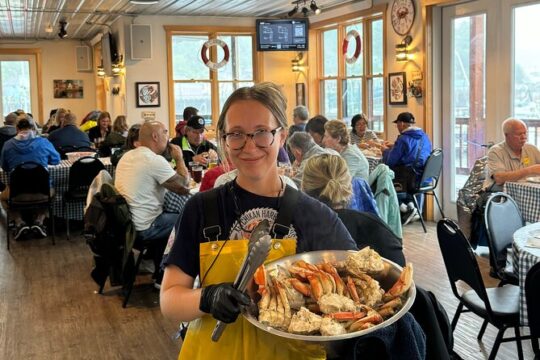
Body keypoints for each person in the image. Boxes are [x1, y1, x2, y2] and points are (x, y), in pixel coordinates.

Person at [160, 82, 356, 360]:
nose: (249, 146)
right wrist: (207, 298)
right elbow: (169, 301)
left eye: (262, 132)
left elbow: (355, 293)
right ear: (224, 140)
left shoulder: (315, 216)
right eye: (236, 134)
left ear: (282, 136)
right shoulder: (200, 209)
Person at [115, 121, 190, 285]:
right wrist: (179, 158)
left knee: (171, 216)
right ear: (155, 136)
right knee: (188, 219)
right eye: (165, 132)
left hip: (125, 227)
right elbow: (184, 185)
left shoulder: (128, 156)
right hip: (144, 229)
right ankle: (168, 276)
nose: (168, 137)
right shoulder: (153, 160)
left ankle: (159, 270)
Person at [302, 153, 405, 265]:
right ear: (349, 186)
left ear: (303, 188)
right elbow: (401, 271)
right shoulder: (374, 227)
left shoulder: (291, 229)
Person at [0, 117, 60, 239]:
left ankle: (19, 222)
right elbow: (56, 160)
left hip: (17, 193)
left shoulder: (7, 145)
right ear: (33, 128)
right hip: (42, 192)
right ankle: (39, 220)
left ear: (16, 129)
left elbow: (4, 167)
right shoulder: (43, 142)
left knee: (2, 197)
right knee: (55, 192)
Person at [382, 112, 432, 225]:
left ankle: (405, 209)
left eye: (397, 124)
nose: (397, 127)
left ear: (402, 124)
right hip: (424, 176)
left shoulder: (403, 139)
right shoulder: (424, 136)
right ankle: (412, 208)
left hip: (410, 179)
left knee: (383, 179)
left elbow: (391, 161)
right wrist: (394, 147)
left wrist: (385, 151)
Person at [484, 117, 540, 191]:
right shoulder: (495, 151)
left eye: (525, 133)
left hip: (526, 193)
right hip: (500, 196)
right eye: (519, 134)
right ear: (507, 135)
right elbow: (499, 179)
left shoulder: (531, 149)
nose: (524, 137)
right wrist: (529, 170)